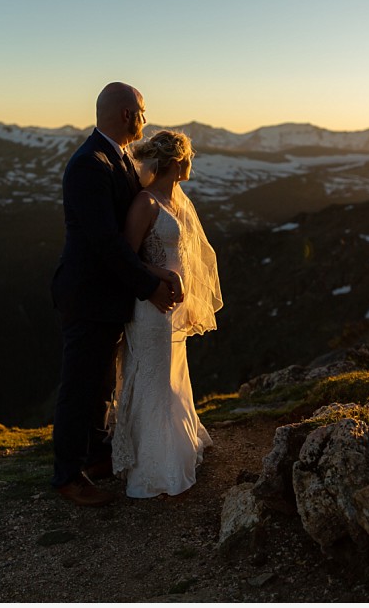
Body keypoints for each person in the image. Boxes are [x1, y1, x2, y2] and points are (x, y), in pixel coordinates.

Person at [50, 82, 181, 507]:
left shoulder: (117, 158)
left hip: (109, 297)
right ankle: (68, 477)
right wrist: (150, 286)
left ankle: (95, 454)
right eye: (143, 111)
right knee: (80, 385)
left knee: (102, 382)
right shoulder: (90, 164)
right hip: (88, 295)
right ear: (127, 114)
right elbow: (106, 242)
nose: (146, 119)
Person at [111, 129, 223, 499]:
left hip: (173, 306)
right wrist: (161, 275)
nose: (191, 164)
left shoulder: (177, 199)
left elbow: (190, 254)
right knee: (153, 379)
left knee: (173, 376)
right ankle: (153, 466)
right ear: (176, 162)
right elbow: (126, 256)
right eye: (189, 158)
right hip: (151, 305)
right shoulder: (146, 202)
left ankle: (178, 446)